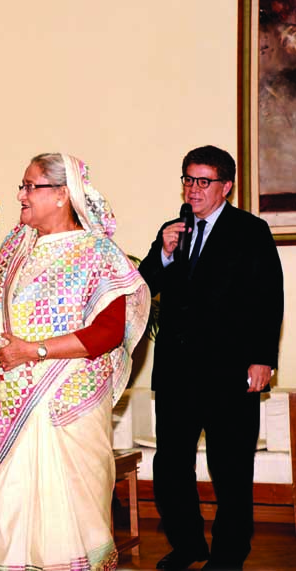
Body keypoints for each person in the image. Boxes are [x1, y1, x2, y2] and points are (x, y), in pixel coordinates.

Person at [0, 153, 148, 570]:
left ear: (60, 195)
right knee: (12, 507)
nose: (20, 195)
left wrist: (34, 351)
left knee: (70, 513)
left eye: (29, 186)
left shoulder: (97, 253)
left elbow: (108, 333)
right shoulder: (16, 251)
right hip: (9, 407)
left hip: (67, 406)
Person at [138, 145, 284, 571]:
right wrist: (163, 253)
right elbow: (141, 287)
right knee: (170, 470)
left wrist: (262, 359)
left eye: (204, 181)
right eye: (188, 179)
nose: (193, 189)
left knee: (231, 470)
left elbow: (268, 298)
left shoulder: (250, 231)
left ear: (226, 187)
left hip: (230, 372)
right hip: (177, 374)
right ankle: (188, 545)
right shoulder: (174, 230)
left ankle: (228, 555)